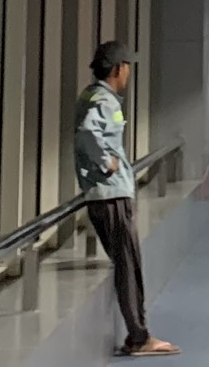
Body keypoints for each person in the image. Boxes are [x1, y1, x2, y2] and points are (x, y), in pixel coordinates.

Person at [75, 40, 178, 357]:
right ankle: (139, 336)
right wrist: (107, 162)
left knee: (126, 264)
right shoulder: (104, 101)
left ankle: (137, 333)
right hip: (112, 195)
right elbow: (88, 134)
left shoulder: (91, 96)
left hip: (104, 195)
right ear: (118, 69)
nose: (129, 73)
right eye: (127, 67)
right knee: (129, 266)